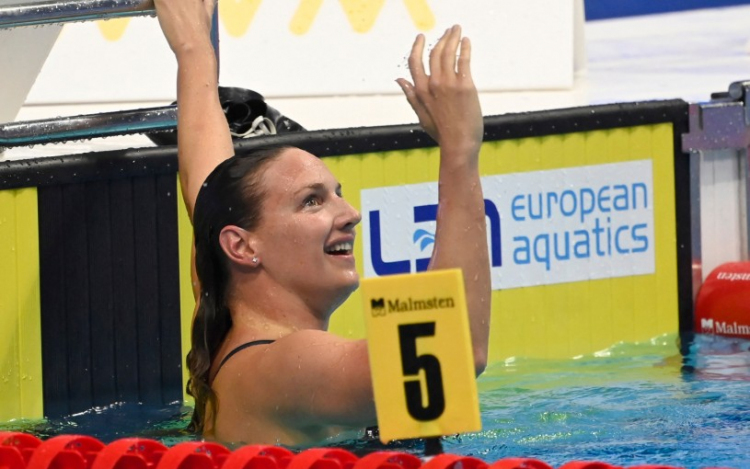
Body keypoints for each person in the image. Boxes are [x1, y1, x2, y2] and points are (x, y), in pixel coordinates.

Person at [153, 0, 491, 446]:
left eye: (338, 194)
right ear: (243, 247)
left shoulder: (225, 330)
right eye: (312, 201)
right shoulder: (290, 362)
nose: (350, 214)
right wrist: (460, 151)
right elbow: (451, 356)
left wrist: (194, 50)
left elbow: (210, 186)